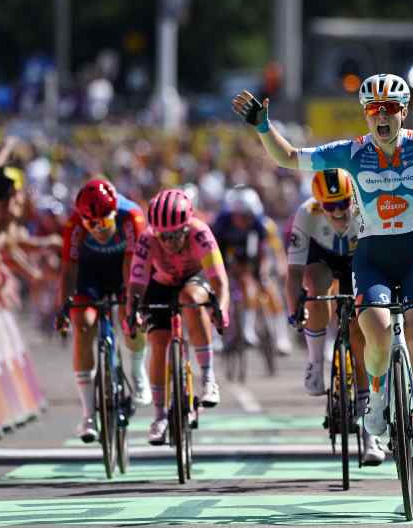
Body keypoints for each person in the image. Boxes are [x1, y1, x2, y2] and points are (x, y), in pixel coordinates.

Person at [232, 67, 413, 473]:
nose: (382, 115)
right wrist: (264, 127)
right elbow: (289, 158)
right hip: (372, 254)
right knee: (373, 332)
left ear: (404, 111)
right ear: (365, 114)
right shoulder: (351, 152)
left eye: (390, 107)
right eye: (374, 108)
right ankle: (376, 396)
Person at [285, 169, 385, 465]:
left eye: (343, 202)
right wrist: (294, 310)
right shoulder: (307, 214)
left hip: (360, 260)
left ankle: (370, 428)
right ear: (318, 203)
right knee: (315, 290)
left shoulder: (365, 206)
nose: (339, 211)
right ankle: (316, 361)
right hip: (323, 259)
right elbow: (293, 272)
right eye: (330, 206)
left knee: (359, 330)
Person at [126, 188, 231, 445]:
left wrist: (222, 308)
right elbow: (137, 284)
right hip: (160, 284)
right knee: (158, 344)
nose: (170, 242)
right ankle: (160, 416)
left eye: (176, 235)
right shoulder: (147, 239)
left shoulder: (200, 232)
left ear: (187, 226)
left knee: (191, 299)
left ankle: (208, 379)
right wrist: (132, 313)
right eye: (163, 236)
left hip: (195, 279)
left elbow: (219, 279)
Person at [56, 179, 150, 442]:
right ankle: (88, 415)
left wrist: (132, 305)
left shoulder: (131, 216)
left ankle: (137, 369)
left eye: (105, 223)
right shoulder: (74, 225)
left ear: (114, 214)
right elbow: (68, 269)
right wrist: (64, 307)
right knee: (83, 325)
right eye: (92, 224)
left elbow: (134, 264)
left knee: (130, 318)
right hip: (90, 275)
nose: (99, 229)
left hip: (123, 271)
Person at [212, 186, 291, 354]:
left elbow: (268, 252)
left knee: (268, 289)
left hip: (253, 254)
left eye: (249, 217)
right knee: (216, 289)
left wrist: (267, 270)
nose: (245, 221)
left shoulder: (262, 224)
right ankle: (216, 335)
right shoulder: (221, 223)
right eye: (242, 217)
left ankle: (279, 337)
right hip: (227, 254)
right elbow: (216, 253)